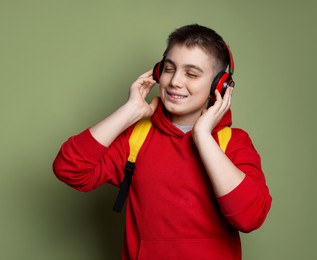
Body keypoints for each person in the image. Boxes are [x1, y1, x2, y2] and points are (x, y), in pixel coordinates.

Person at [53, 24, 272, 260]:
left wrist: (203, 138)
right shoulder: (137, 138)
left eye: (191, 73)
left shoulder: (234, 142)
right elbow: (69, 169)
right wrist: (130, 111)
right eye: (169, 69)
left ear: (220, 85)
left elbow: (250, 218)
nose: (174, 81)